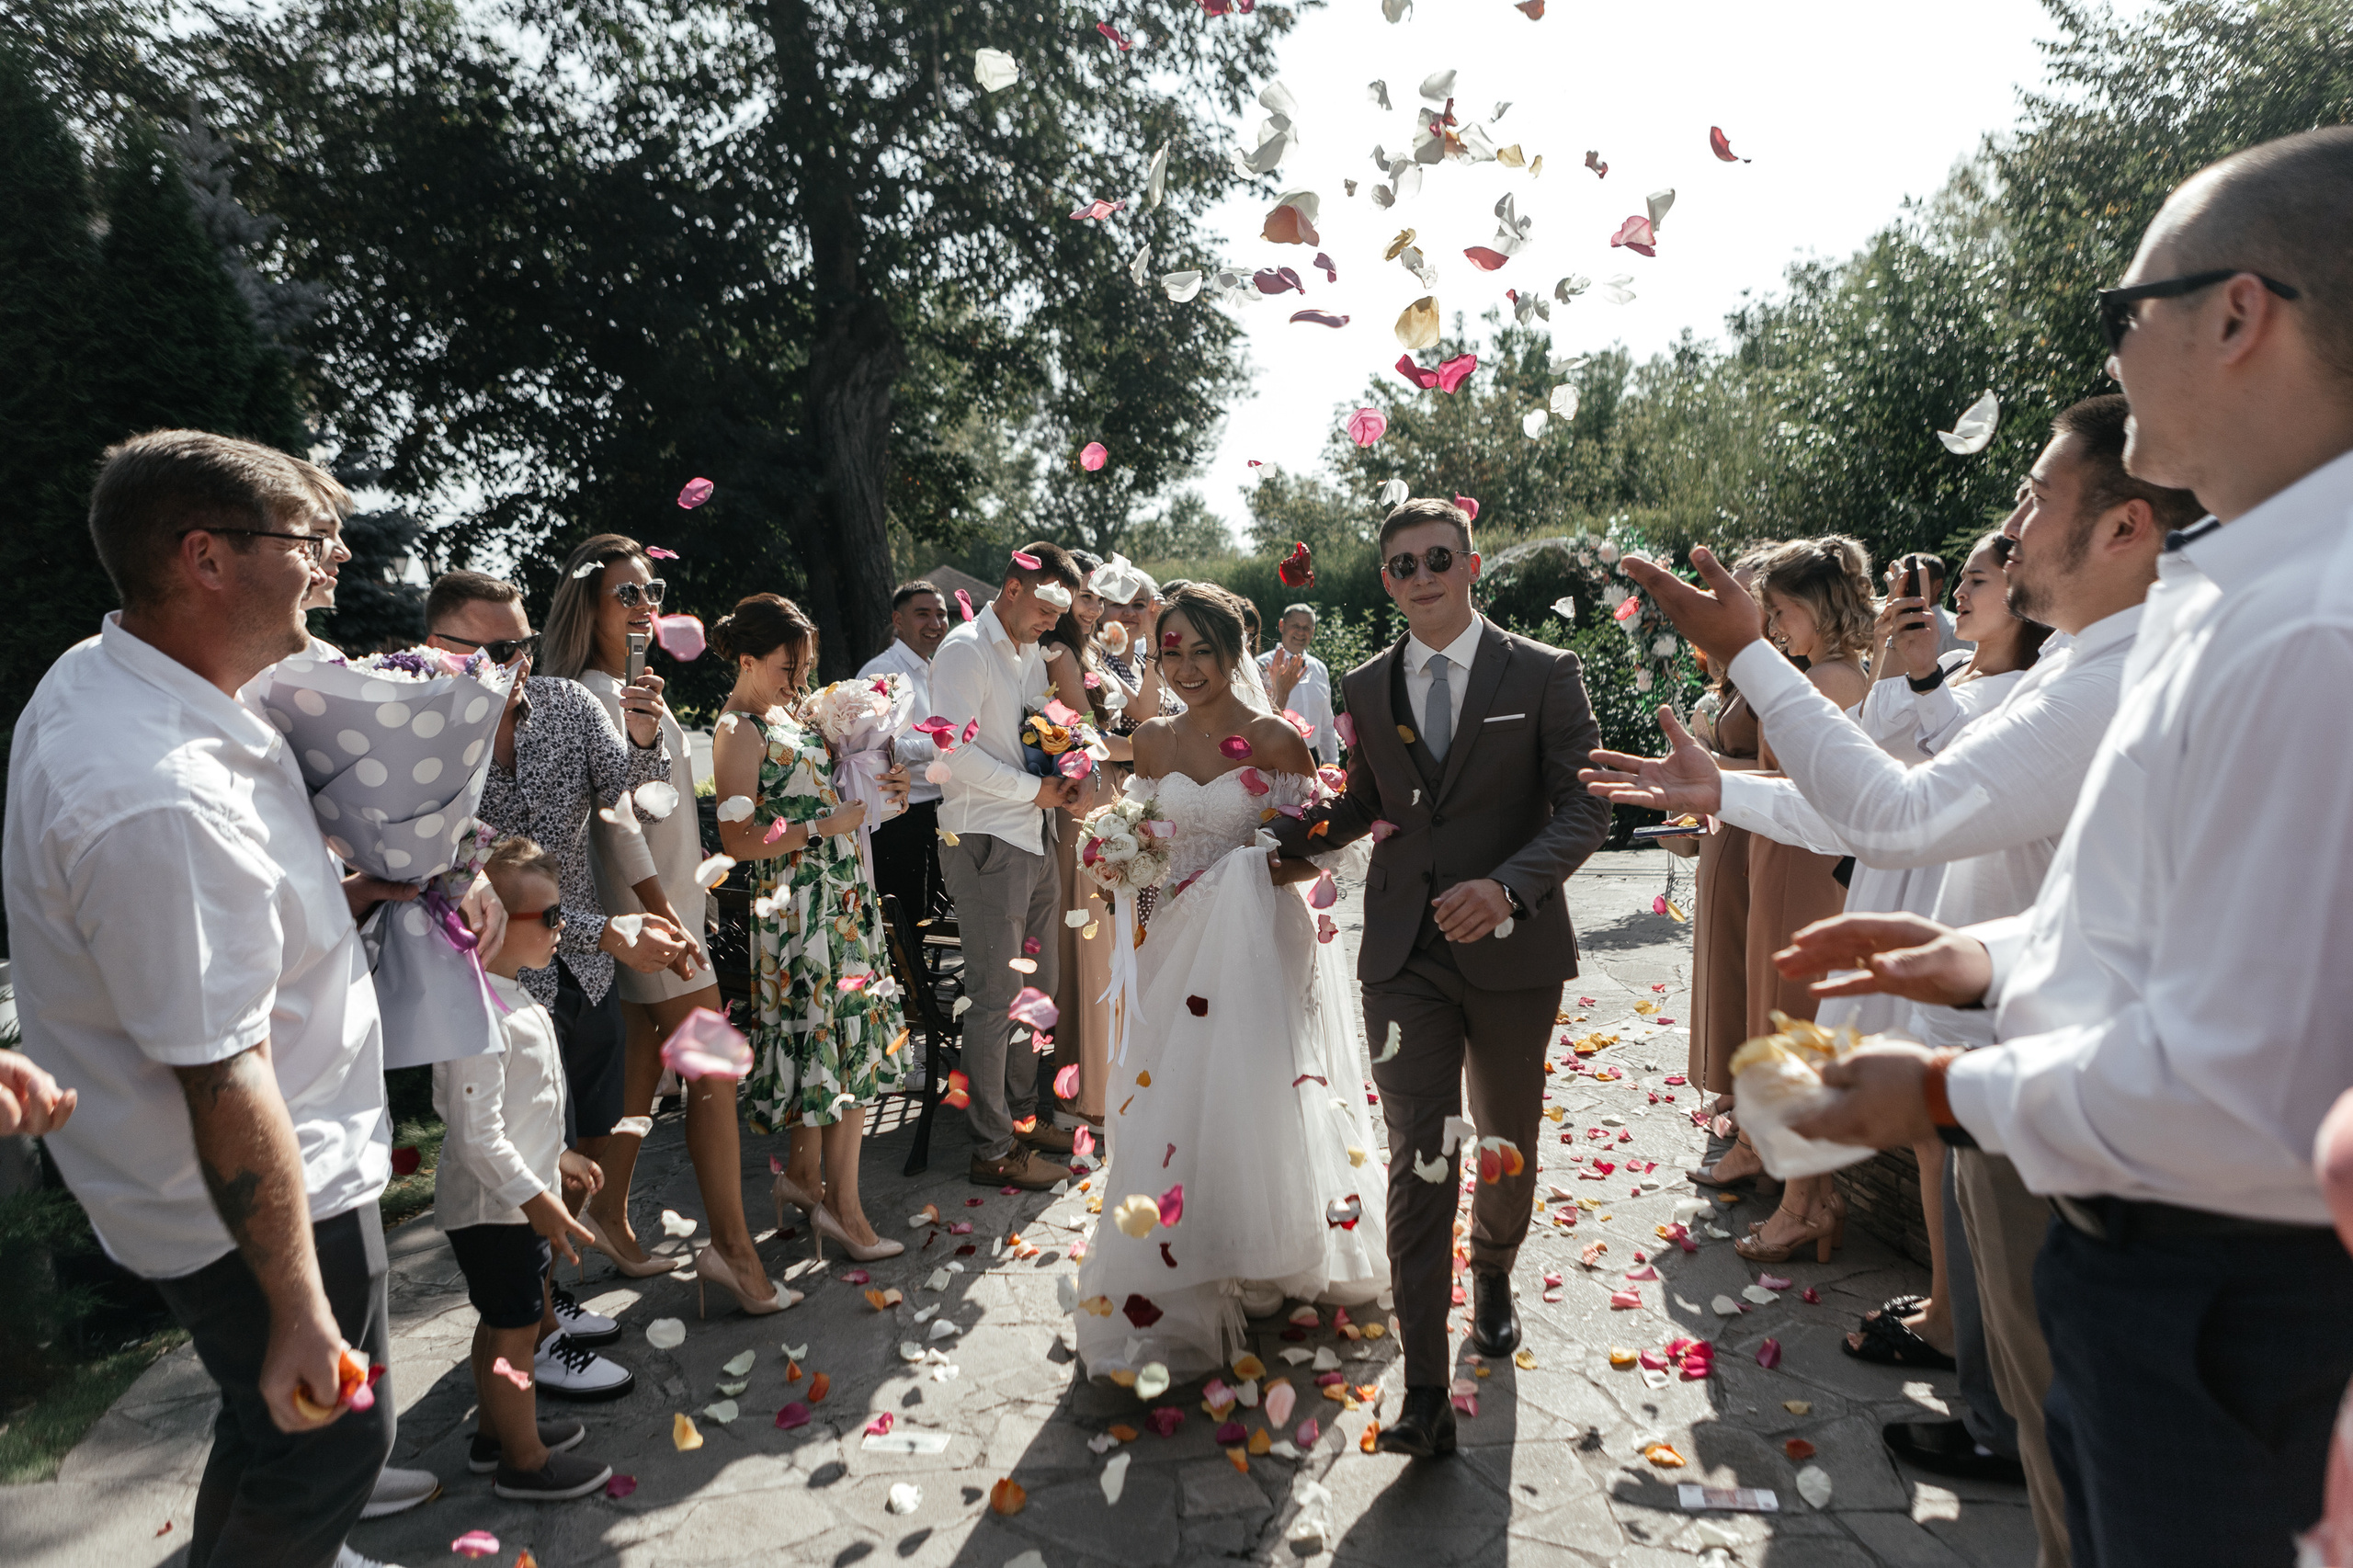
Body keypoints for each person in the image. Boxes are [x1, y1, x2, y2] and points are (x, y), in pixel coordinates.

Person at [1764, 129, 2353, 1568]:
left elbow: (2253, 1075)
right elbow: (2169, 921)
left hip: (2225, 1275)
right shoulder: (2230, 594)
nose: (2114, 350)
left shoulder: (2316, 627)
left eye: (2125, 310)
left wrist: (1944, 1088)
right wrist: (1976, 955)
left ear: (2236, 313)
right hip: (2153, 1254)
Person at [1588, 394, 2210, 1567]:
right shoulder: (2072, 666)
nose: (2011, 526)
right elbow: (1888, 805)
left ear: (2127, 528)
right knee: (2053, 1437)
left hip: (2072, 1091)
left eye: (2035, 498)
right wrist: (1724, 794)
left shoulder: (2107, 678)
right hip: (2004, 1044)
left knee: (2086, 1462)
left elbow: (1904, 810)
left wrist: (1746, 653)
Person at [5, 429, 486, 1568]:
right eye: (309, 539)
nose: (331, 562)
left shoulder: (127, 672)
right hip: (259, 1197)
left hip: (261, 1164)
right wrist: (298, 1306)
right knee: (325, 1448)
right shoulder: (151, 793)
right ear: (206, 557)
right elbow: (221, 1070)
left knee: (274, 1431)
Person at [1267, 496, 1612, 1458]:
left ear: (1468, 565)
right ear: (1386, 579)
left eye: (1435, 558)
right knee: (1421, 1151)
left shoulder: (1543, 672)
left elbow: (1585, 808)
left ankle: (1493, 1271)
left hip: (1513, 951)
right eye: (1400, 564)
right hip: (1402, 956)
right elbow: (1369, 804)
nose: (1418, 575)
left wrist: (1508, 888)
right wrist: (1254, 845)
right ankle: (1422, 1386)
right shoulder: (1371, 685)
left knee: (1503, 1138)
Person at [1072, 584, 1387, 1381]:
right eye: (1168, 651)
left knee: (1257, 1090)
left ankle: (1276, 1250)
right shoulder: (1149, 745)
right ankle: (1204, 1251)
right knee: (1179, 1094)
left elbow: (1328, 852)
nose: (1183, 667)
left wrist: (1243, 875)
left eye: (1200, 649)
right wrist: (1129, 903)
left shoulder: (1277, 738)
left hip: (1261, 941)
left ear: (1231, 650)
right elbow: (1142, 854)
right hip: (1173, 942)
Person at [426, 572, 698, 1371]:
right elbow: (457, 891)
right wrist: (602, 929)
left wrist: (644, 740)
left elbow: (628, 800)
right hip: (497, 990)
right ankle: (530, 1332)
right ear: (439, 651)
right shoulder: (426, 752)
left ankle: (547, 1302)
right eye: (496, 648)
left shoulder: (573, 707)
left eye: (523, 644)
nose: (518, 662)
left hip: (584, 976)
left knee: (583, 1146)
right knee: (521, 1154)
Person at [540, 535, 778, 1305]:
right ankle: (736, 1257)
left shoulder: (635, 689)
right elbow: (614, 822)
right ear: (588, 606)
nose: (647, 606)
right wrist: (663, 917)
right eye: (627, 594)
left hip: (672, 905)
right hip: (646, 914)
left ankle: (598, 1217)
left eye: (652, 592)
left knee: (639, 1077)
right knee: (712, 1072)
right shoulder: (586, 694)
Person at [710, 593, 907, 1270]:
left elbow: (832, 790)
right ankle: (844, 1211)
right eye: (788, 666)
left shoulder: (784, 715)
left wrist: (887, 785)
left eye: (806, 667)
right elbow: (735, 838)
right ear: (747, 659)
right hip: (800, 909)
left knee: (830, 1039)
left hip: (839, 895)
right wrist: (823, 828)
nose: (800, 680)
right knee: (840, 1042)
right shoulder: (739, 729)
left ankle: (801, 1178)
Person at [432, 835, 615, 1500]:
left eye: (560, 912)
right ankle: (524, 1458)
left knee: (499, 1321)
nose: (561, 927)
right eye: (549, 917)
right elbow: (478, 1135)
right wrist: (538, 1197)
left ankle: (494, 1434)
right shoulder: (479, 1015)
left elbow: (521, 1110)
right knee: (514, 1333)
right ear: (492, 922)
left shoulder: (510, 995)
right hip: (496, 1209)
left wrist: (559, 1155)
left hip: (511, 1204)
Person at [1729, 536, 1876, 1267]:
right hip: (1782, 850)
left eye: (1781, 610)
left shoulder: (1831, 681)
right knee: (1780, 1013)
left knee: (1795, 1022)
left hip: (1808, 859)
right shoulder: (1819, 672)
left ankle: (1805, 1205)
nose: (1775, 625)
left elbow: (1818, 791)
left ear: (1816, 606)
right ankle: (1804, 1196)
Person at [928, 545, 1087, 1189]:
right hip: (986, 839)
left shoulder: (1028, 654)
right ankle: (992, 1147)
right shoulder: (966, 649)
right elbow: (954, 754)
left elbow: (1034, 736)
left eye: (1063, 610)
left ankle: (1022, 1120)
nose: (1055, 620)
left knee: (1035, 992)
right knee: (996, 999)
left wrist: (1066, 768)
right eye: (1048, 605)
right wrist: (1035, 792)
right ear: (1014, 588)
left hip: (1034, 834)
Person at [1040, 551, 1120, 1126]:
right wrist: (1159, 743)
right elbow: (1086, 736)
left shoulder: (1087, 651)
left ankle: (1104, 1071)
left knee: (1106, 933)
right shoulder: (1060, 652)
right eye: (1084, 596)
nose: (1092, 608)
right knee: (1089, 936)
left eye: (1097, 598)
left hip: (1104, 791)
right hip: (1084, 800)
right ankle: (1085, 1082)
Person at [859, 580, 952, 935]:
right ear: (898, 620)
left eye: (941, 614)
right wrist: (947, 745)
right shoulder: (881, 672)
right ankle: (900, 989)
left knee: (929, 915)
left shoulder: (936, 668)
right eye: (923, 614)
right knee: (904, 920)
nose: (935, 623)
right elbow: (879, 746)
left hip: (936, 810)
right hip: (900, 814)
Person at [1261, 603, 1341, 765]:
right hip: (1274, 757)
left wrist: (1332, 763)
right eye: (1296, 626)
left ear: (1313, 631)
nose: (1300, 632)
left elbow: (1326, 722)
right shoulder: (1261, 666)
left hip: (1313, 758)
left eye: (1307, 628)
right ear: (1282, 625)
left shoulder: (1320, 669)